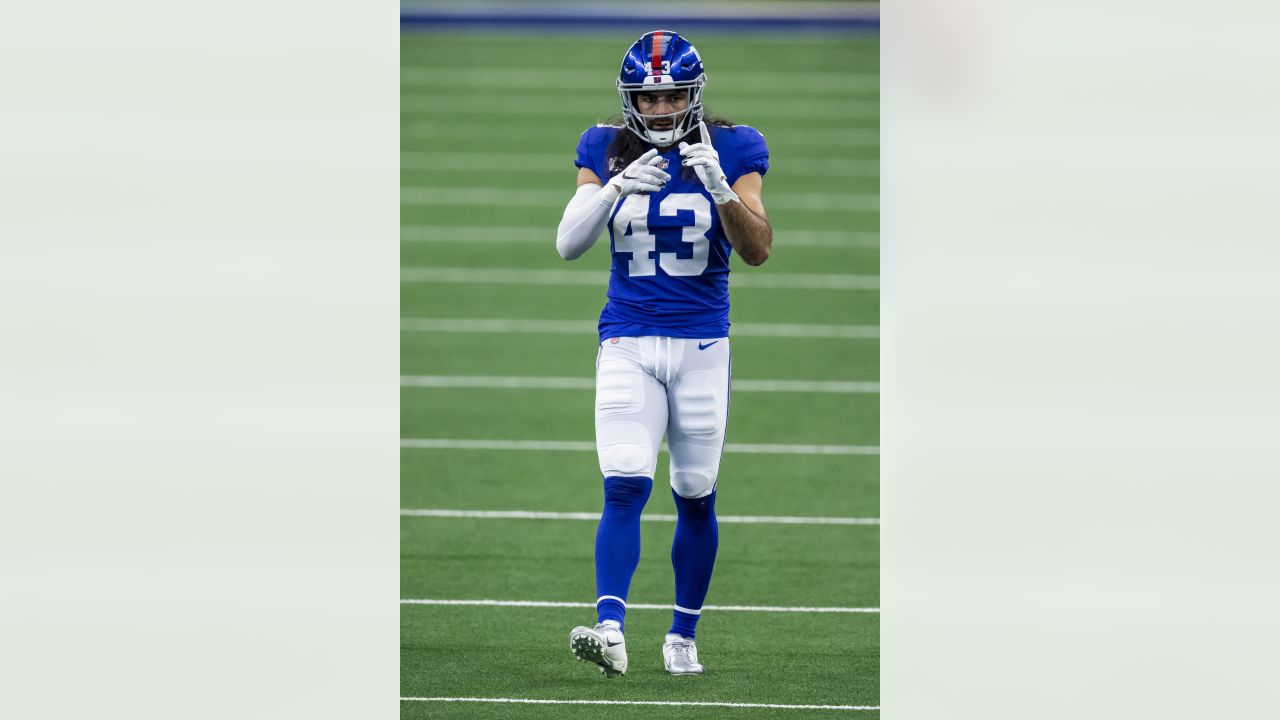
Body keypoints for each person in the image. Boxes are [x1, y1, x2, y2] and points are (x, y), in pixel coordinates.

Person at [555, 30, 772, 678]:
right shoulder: (603, 147)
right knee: (624, 482)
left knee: (695, 492)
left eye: (673, 94)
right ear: (630, 100)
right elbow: (568, 243)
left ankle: (682, 635)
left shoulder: (732, 147)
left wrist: (724, 192)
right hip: (628, 339)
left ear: (694, 94)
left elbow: (758, 248)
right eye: (648, 98)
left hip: (702, 342)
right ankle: (611, 628)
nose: (660, 109)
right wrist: (615, 190)